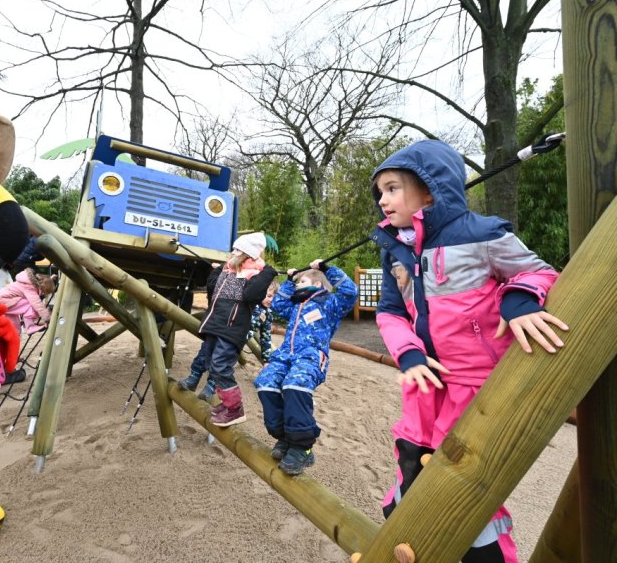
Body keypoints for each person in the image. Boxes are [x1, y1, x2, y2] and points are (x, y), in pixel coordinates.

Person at [370, 140, 567, 563]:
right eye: (380, 192)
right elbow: (390, 312)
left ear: (429, 191)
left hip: (475, 384)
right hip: (426, 380)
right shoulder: (395, 250)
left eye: (392, 189)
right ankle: (405, 531)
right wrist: (408, 354)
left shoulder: (480, 234)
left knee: (462, 481)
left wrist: (518, 302)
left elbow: (539, 272)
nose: (382, 200)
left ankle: (486, 555)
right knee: (411, 459)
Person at [254, 261, 357, 475]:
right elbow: (277, 305)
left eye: (302, 281)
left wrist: (327, 269)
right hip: (285, 355)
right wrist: (289, 281)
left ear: (317, 283)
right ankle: (284, 437)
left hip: (310, 356)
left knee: (295, 384)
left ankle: (302, 447)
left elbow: (350, 291)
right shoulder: (295, 304)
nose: (298, 284)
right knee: (265, 382)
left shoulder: (330, 303)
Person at [198, 232, 277, 427]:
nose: (232, 252)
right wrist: (218, 270)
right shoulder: (230, 271)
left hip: (232, 329)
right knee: (211, 363)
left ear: (247, 254)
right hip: (216, 324)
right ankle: (226, 404)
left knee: (220, 366)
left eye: (237, 250)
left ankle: (235, 409)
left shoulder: (254, 274)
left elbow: (252, 295)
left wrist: (268, 273)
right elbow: (211, 289)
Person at [0, 267, 54, 337]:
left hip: (1, 302)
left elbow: (46, 281)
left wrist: (51, 279)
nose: (42, 294)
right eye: (43, 292)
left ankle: (15, 337)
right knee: (30, 304)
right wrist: (47, 317)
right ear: (42, 287)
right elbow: (37, 304)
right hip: (4, 301)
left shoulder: (26, 282)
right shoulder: (30, 287)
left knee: (14, 324)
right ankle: (30, 326)